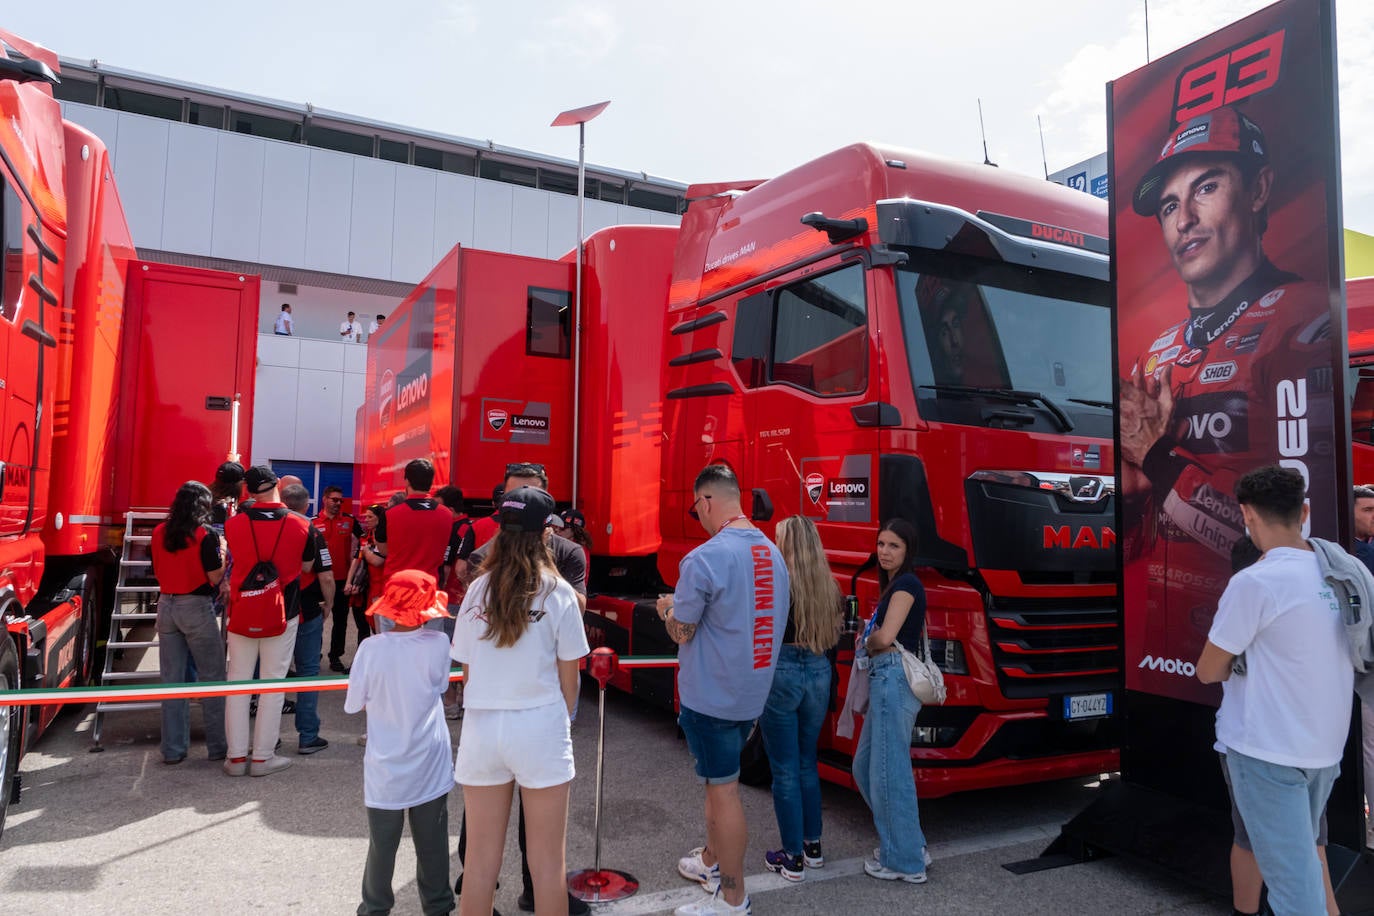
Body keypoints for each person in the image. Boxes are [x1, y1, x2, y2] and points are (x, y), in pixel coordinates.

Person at [1120, 106, 1334, 669]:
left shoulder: (1303, 317)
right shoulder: (1157, 351)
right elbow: (1135, 547)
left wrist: (1157, 459)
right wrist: (1132, 495)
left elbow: (1298, 536)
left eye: (1206, 188)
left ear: (1260, 189)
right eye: (1169, 205)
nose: (1184, 218)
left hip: (1258, 664)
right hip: (1164, 663)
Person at [1196, 465, 1353, 916]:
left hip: (1264, 750)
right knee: (1307, 862)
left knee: (1293, 889)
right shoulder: (1346, 572)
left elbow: (1209, 670)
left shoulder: (1254, 582)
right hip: (1324, 750)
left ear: (1246, 515)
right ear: (1303, 511)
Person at [455, 462, 589, 914]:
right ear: (544, 531)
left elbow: (468, 671)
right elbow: (571, 683)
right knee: (548, 866)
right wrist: (556, 719)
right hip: (540, 727)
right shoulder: (558, 593)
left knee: (478, 867)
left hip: (482, 728)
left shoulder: (476, 591)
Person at [656, 464, 788, 916]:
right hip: (750, 692)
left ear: (707, 501)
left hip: (712, 695)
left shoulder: (705, 558)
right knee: (720, 786)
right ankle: (712, 863)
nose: (700, 519)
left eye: (697, 511)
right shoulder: (772, 553)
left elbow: (682, 631)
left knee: (722, 792)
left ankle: (733, 898)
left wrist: (665, 608)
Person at [345, 570, 456, 916]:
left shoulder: (369, 648)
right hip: (430, 761)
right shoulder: (438, 644)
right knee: (434, 846)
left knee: (382, 846)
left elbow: (353, 704)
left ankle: (375, 909)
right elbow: (440, 688)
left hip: (385, 766)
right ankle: (438, 908)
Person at [758, 515, 842, 882]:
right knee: (807, 760)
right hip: (819, 669)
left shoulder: (777, 582)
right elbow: (837, 634)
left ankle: (791, 857)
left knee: (784, 769)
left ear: (787, 544)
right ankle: (813, 846)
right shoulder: (829, 585)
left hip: (783, 670)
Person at [222, 465, 317, 777]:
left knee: (237, 683)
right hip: (282, 611)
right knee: (272, 685)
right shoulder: (303, 525)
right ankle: (262, 757)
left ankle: (236, 758)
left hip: (242, 610)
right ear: (277, 484)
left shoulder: (233, 525)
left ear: (247, 491)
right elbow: (306, 567)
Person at [853, 518, 931, 884]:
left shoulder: (906, 585)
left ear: (907, 550)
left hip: (892, 680)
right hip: (886, 681)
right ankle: (908, 843)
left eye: (893, 546)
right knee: (866, 765)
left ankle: (904, 861)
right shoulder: (896, 585)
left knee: (889, 771)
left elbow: (885, 637)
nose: (884, 552)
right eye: (881, 544)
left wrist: (866, 641)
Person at [151, 481, 228, 765]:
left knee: (172, 682)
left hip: (166, 605)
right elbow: (215, 577)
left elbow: (157, 570)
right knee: (213, 678)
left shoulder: (159, 531)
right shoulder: (204, 534)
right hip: (195, 606)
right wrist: (223, 549)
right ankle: (218, 747)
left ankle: (173, 749)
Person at [282, 483, 334, 755]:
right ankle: (307, 736)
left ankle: (267, 739)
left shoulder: (264, 525)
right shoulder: (311, 530)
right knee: (308, 671)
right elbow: (325, 575)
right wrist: (330, 604)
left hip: (271, 610)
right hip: (306, 609)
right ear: (306, 506)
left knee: (269, 674)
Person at [317, 485, 366, 673]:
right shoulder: (313, 522)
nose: (338, 503)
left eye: (340, 500)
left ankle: (335, 656)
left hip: (341, 580)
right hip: (319, 581)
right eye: (334, 499)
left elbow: (365, 540)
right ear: (325, 499)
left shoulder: (349, 521)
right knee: (317, 620)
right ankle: (314, 653)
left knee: (341, 620)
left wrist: (357, 565)